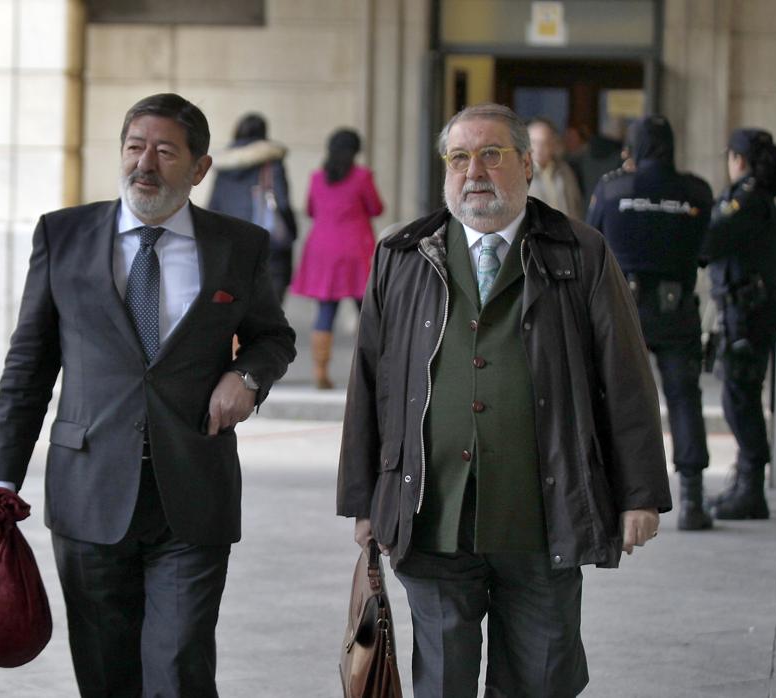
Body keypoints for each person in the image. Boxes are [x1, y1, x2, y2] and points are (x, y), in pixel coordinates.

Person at [337, 103, 670, 698]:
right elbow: (369, 384)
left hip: (545, 516)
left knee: (542, 676)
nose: (475, 171)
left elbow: (625, 377)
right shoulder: (401, 257)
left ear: (527, 164)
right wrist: (365, 500)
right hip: (431, 514)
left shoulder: (581, 252)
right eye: (459, 158)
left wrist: (640, 493)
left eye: (492, 154)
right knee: (443, 679)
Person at [0, 93, 296, 697]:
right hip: (90, 489)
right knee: (105, 674)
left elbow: (272, 336)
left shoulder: (238, 245)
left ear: (200, 168)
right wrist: (0, 481)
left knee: (180, 667)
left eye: (165, 152)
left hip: (193, 487)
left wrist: (249, 377)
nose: (144, 164)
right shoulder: (63, 235)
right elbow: (29, 365)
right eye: (134, 147)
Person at [587, 115, 715, 531]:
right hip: (677, 310)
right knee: (684, 398)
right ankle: (693, 497)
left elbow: (593, 243)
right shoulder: (697, 191)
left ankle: (613, 493)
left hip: (625, 309)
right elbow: (704, 251)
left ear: (634, 148)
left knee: (619, 401)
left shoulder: (612, 188)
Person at [702, 128, 776, 521]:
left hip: (746, 310)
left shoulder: (748, 200)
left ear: (738, 160)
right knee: (743, 397)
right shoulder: (770, 196)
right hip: (755, 306)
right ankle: (746, 483)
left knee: (740, 400)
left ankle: (751, 488)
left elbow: (709, 241)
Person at [289, 128, 384, 389]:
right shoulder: (363, 177)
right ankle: (371, 373)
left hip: (322, 249)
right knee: (367, 312)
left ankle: (320, 370)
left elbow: (310, 209)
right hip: (355, 248)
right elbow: (376, 207)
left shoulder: (318, 177)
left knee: (325, 310)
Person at [207, 112, 298, 303]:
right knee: (271, 306)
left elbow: (213, 205)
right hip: (268, 241)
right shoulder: (270, 162)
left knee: (235, 304)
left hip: (231, 242)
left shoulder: (224, 164)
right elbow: (281, 201)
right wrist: (291, 231)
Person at [526, 117, 583, 218]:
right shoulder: (521, 173)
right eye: (534, 142)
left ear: (552, 144)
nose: (539, 148)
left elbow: (575, 204)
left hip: (566, 230)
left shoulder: (564, 170)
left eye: (544, 142)